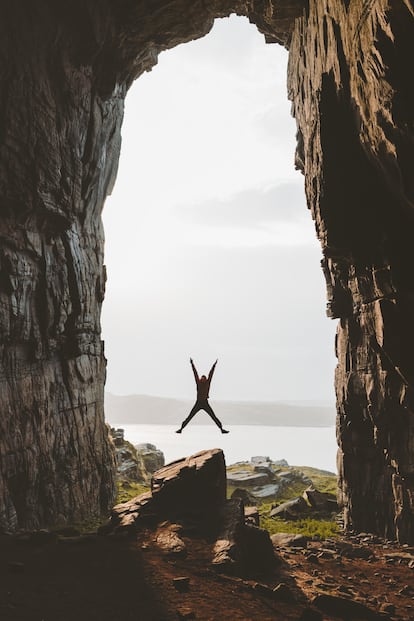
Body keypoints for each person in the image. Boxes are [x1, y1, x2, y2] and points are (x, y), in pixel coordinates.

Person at [176, 358, 229, 433]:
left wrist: (214, 365)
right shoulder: (199, 383)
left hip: (205, 402)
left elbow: (211, 374)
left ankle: (221, 429)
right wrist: (192, 364)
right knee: (190, 416)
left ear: (205, 379)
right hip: (198, 402)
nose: (202, 379)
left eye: (203, 378)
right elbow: (195, 373)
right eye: (202, 378)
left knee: (213, 416)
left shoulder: (207, 383)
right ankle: (181, 429)